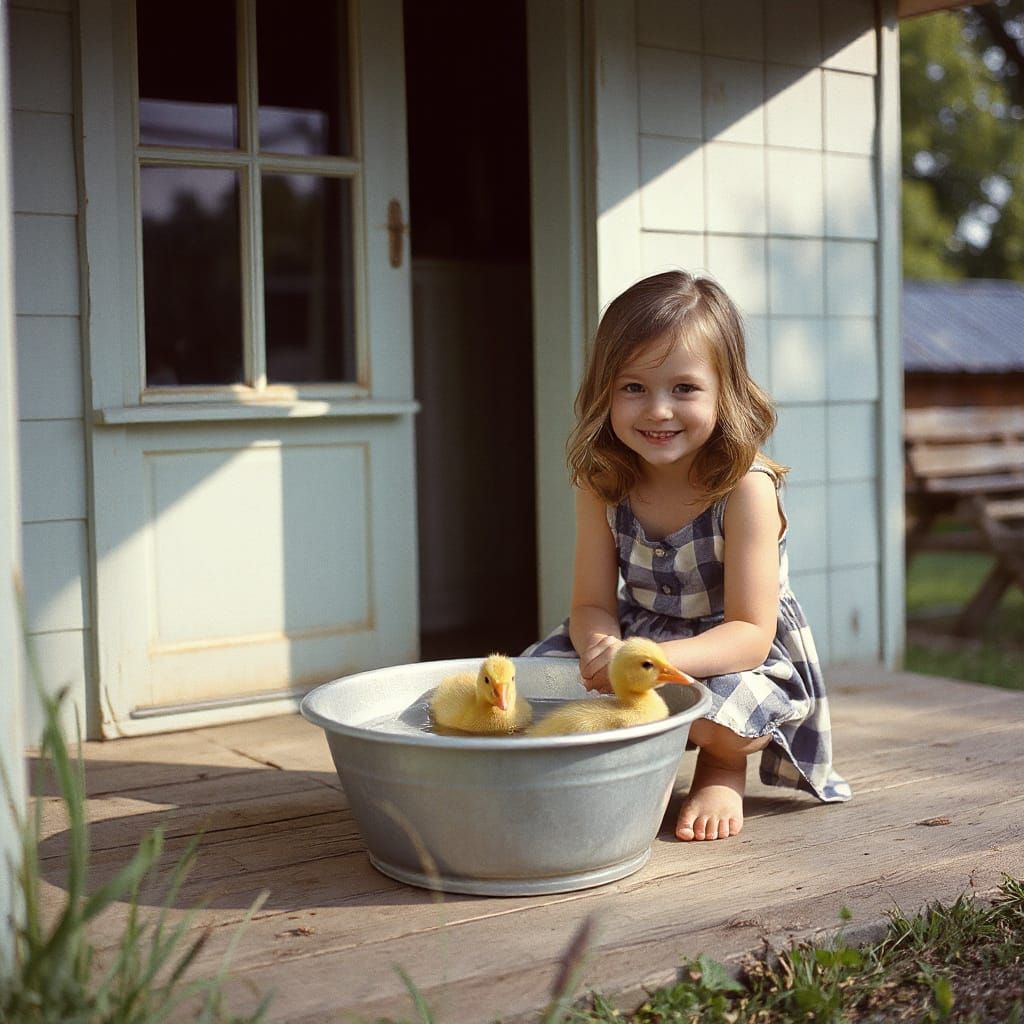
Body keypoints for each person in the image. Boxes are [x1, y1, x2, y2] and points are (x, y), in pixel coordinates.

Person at [524, 270, 851, 841]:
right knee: (530, 690)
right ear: (604, 391)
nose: (658, 410)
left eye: (684, 389)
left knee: (726, 722)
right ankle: (621, 761)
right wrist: (601, 648)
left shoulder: (744, 489)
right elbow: (591, 604)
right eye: (633, 387)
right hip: (638, 634)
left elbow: (750, 633)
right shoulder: (602, 483)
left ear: (726, 392)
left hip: (731, 650)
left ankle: (721, 768)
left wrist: (648, 662)